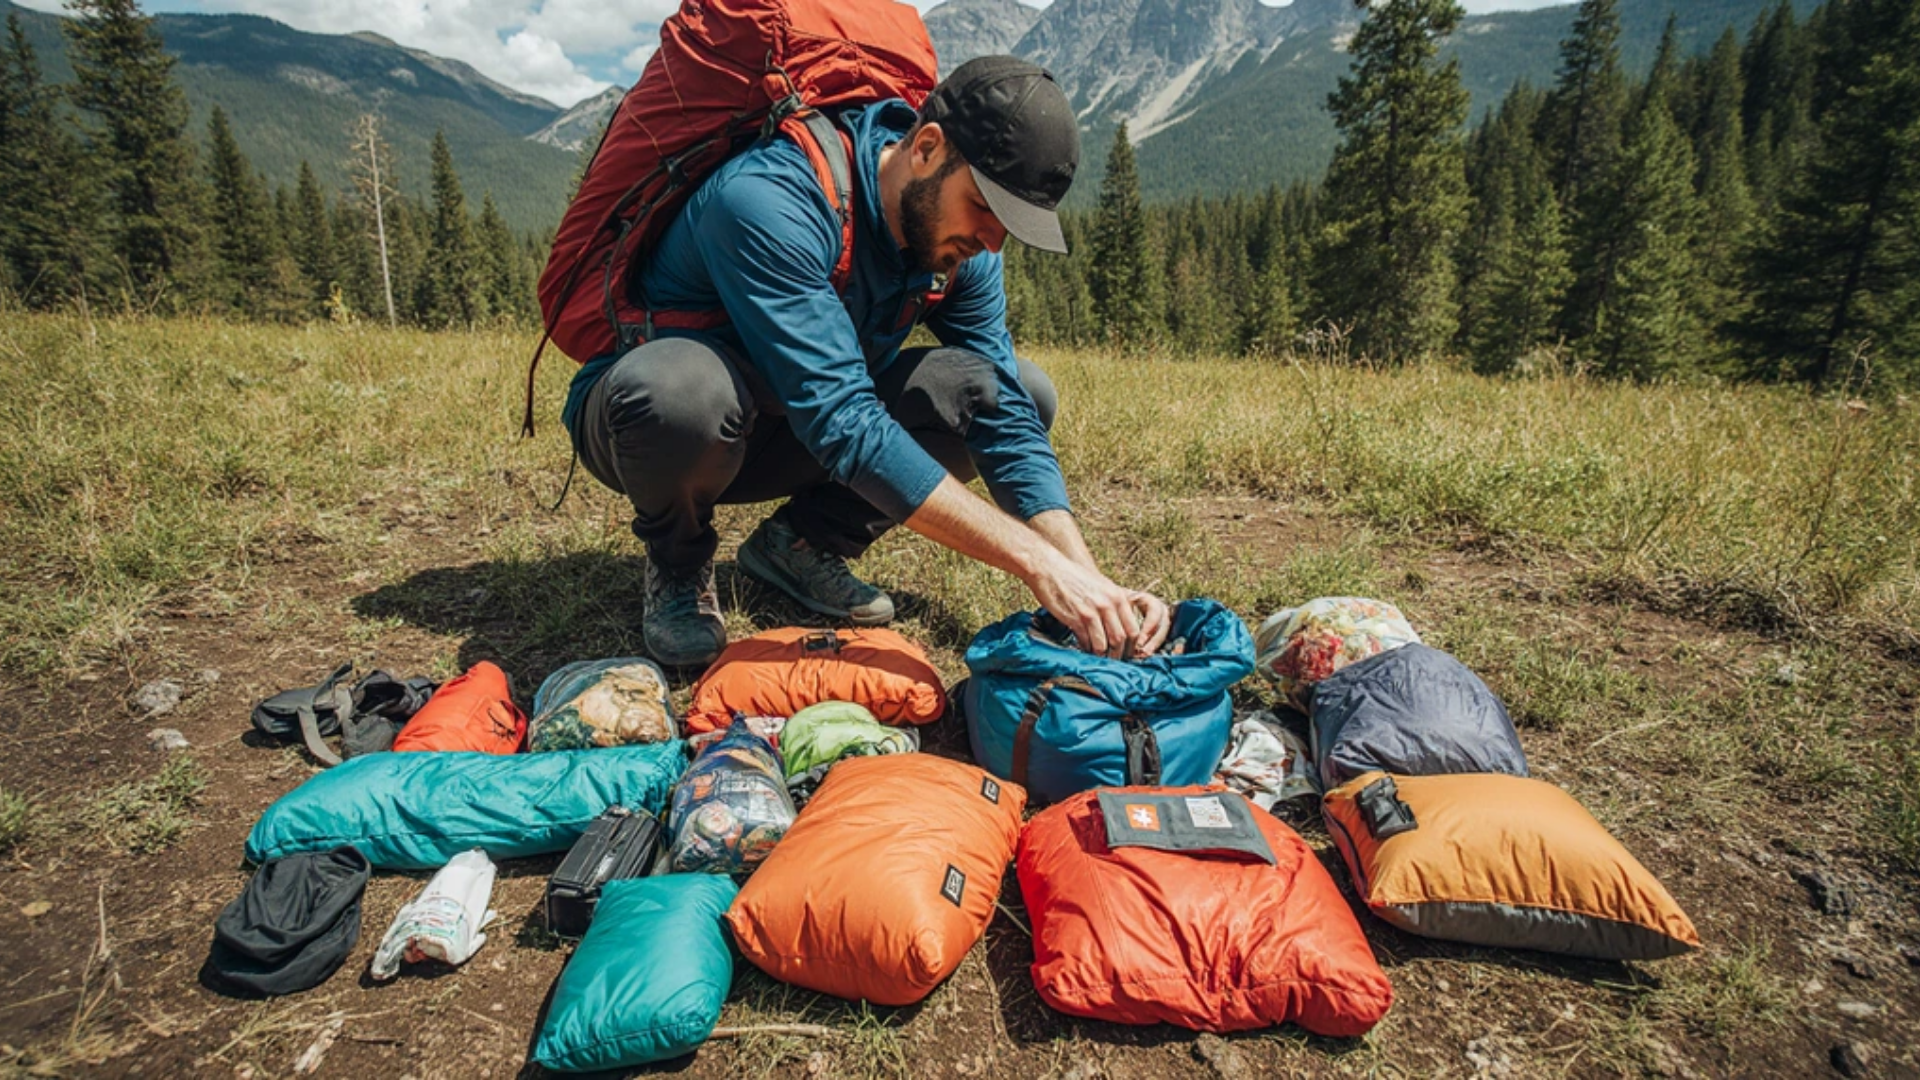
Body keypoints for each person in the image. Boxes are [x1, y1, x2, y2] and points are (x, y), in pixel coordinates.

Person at [563, 56, 1170, 667]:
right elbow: (843, 421)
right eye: (986, 209)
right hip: (660, 426)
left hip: (790, 429)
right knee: (680, 394)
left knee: (1022, 392)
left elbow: (1002, 406)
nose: (992, 242)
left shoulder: (962, 248)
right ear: (928, 148)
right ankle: (679, 563)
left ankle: (799, 544)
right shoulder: (770, 199)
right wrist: (1036, 564)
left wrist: (1085, 575)